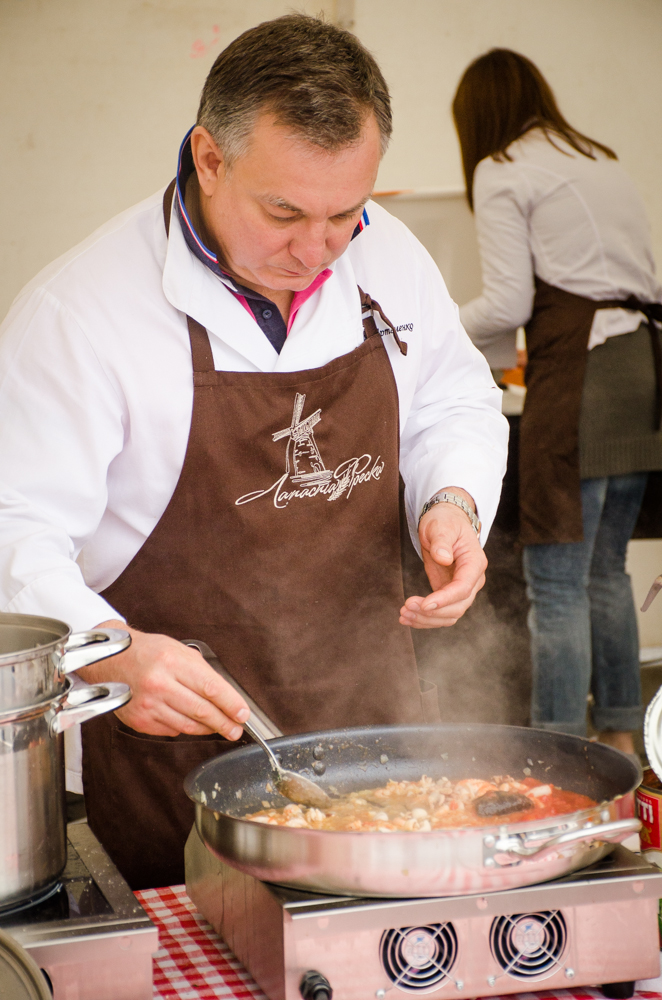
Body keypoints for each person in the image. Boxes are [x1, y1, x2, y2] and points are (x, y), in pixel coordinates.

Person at [0, 15, 507, 889]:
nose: (316, 251)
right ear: (209, 158)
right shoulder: (82, 313)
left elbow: (454, 397)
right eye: (284, 213)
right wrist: (111, 651)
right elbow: (15, 528)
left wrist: (452, 501)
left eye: (345, 214)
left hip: (376, 734)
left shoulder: (389, 258)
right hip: (172, 761)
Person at [453, 48, 662, 753]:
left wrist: (432, 326)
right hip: (643, 370)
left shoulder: (503, 168)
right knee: (606, 568)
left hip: (582, 374)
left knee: (557, 579)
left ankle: (560, 752)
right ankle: (623, 739)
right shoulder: (597, 158)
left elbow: (508, 302)